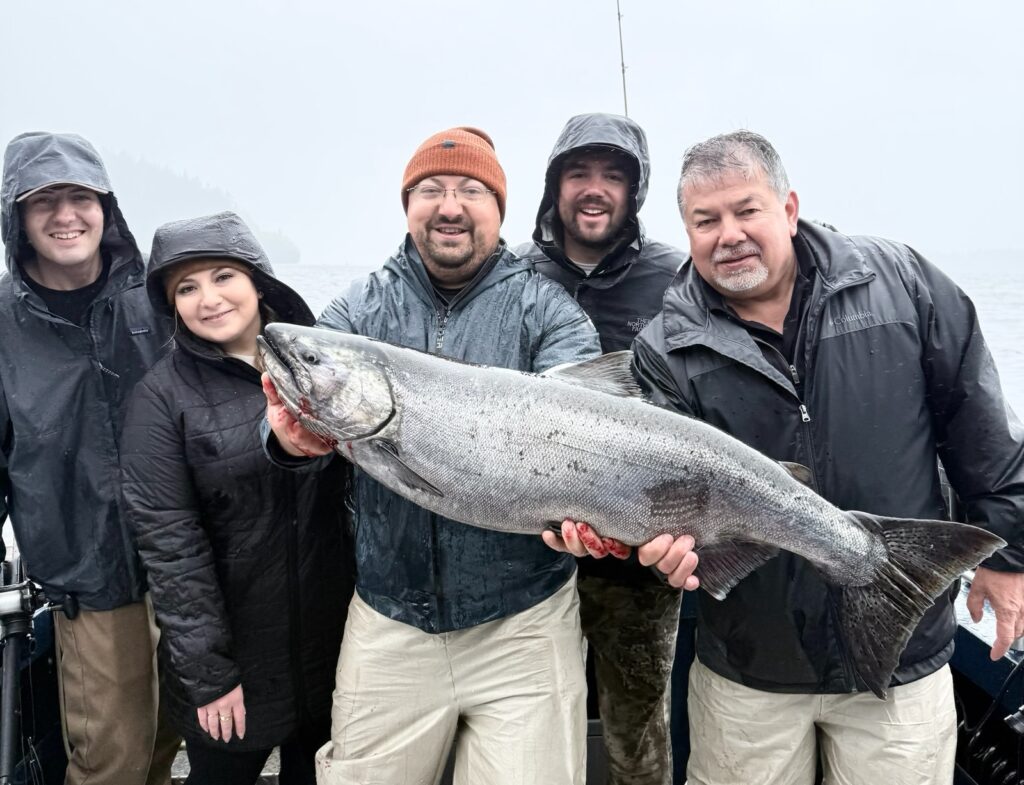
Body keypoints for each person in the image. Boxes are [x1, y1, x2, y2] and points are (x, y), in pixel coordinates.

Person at [621, 129, 1024, 785]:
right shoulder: (662, 350)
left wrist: (1007, 555)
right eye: (706, 220)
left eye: (746, 210)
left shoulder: (902, 282)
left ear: (788, 208)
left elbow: (979, 420)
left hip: (903, 660)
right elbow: (668, 495)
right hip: (750, 669)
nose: (729, 235)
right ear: (686, 231)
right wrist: (663, 548)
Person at [264, 126, 603, 785]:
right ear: (407, 205)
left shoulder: (549, 312)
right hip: (389, 620)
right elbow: (291, 408)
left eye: (471, 189)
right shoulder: (358, 309)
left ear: (499, 208)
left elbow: (591, 427)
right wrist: (285, 439)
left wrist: (594, 517)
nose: (450, 206)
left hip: (525, 623)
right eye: (430, 190)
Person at [120, 211, 355, 785]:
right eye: (187, 288)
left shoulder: (322, 366)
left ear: (258, 282)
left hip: (334, 651)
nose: (209, 299)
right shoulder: (161, 397)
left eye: (223, 276)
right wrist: (210, 677)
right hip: (233, 662)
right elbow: (170, 546)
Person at [0, 131, 179, 785]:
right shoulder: (4, 324)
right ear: (17, 218)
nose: (66, 215)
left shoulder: (159, 296)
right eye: (43, 201)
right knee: (112, 758)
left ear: (106, 207)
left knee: (167, 741)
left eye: (80, 197)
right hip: (91, 579)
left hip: (187, 563)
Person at [516, 112, 689, 785]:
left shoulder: (678, 277)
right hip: (527, 550)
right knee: (531, 726)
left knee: (636, 730)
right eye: (579, 173)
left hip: (639, 559)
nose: (594, 189)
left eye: (613, 175)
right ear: (553, 185)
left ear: (635, 191)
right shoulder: (511, 273)